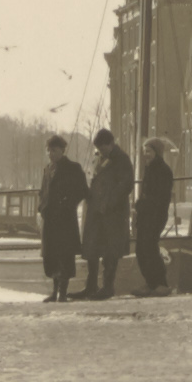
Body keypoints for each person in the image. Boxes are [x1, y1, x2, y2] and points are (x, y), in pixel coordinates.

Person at [80, 129, 133, 301]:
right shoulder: (99, 158)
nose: (101, 152)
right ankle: (91, 285)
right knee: (92, 247)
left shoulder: (122, 160)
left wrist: (109, 202)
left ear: (111, 144)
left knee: (110, 249)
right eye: (99, 149)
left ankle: (107, 287)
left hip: (113, 212)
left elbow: (126, 185)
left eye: (103, 148)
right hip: (96, 209)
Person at [37, 134, 88, 302]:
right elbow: (43, 191)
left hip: (64, 219)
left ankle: (63, 292)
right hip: (50, 219)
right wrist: (42, 207)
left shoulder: (73, 168)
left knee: (64, 255)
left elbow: (82, 190)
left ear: (62, 150)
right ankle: (54, 292)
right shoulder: (47, 169)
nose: (50, 154)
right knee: (51, 255)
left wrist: (67, 204)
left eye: (54, 150)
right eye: (48, 150)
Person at [132, 138, 175, 297]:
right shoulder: (150, 168)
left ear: (157, 152)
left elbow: (158, 196)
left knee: (149, 248)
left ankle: (160, 283)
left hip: (155, 215)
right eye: (144, 151)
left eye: (148, 151)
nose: (146, 154)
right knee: (141, 249)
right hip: (146, 214)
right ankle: (151, 282)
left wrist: (142, 204)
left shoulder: (162, 170)